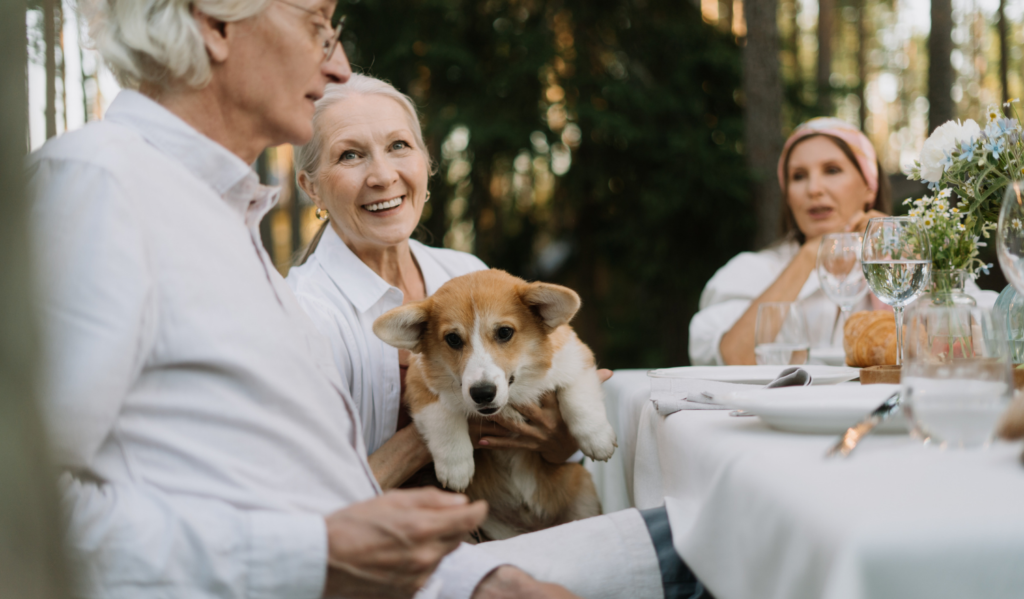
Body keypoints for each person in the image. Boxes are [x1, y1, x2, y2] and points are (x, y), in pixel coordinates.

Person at [28, 1, 701, 598]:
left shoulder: (226, 227)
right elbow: (28, 502)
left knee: (725, 519)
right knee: (721, 537)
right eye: (319, 26)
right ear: (215, 24)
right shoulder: (99, 184)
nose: (340, 65)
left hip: (435, 574)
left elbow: (326, 500)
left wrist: (485, 578)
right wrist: (315, 553)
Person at [286, 75, 585, 491]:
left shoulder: (466, 272)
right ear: (311, 187)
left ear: (425, 162)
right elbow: (304, 503)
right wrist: (430, 433)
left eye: (398, 146)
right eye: (350, 155)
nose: (382, 175)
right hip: (393, 547)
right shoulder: (300, 314)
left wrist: (560, 439)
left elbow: (560, 450)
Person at [689, 118, 995, 366]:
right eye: (798, 176)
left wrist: (909, 255)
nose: (814, 189)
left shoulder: (904, 263)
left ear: (868, 187)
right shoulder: (754, 270)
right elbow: (733, 355)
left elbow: (990, 335)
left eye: (832, 170)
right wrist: (810, 255)